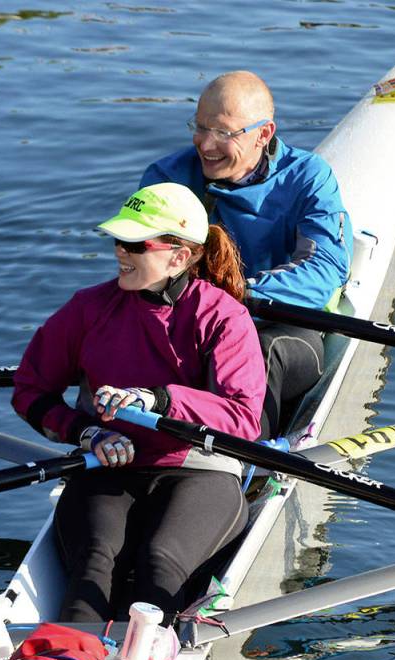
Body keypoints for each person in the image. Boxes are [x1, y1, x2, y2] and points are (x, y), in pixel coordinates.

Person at [11, 182, 265, 623]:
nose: (120, 253)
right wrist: (86, 432)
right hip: (107, 464)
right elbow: (30, 391)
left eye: (134, 243)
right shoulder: (88, 309)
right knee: (93, 564)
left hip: (198, 469)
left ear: (179, 256)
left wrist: (159, 400)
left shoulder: (223, 316)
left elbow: (243, 420)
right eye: (118, 240)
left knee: (158, 561)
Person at [141, 71, 354, 439]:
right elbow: (146, 264)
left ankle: (247, 467)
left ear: (264, 134)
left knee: (257, 351)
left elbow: (325, 269)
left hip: (280, 324)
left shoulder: (308, 178)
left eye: (223, 133)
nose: (205, 145)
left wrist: (239, 294)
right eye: (200, 127)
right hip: (191, 320)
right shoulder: (167, 178)